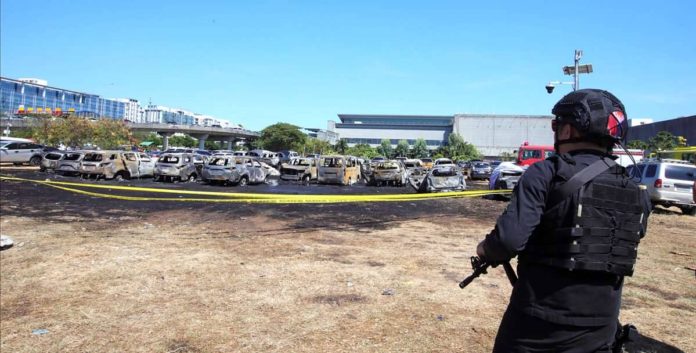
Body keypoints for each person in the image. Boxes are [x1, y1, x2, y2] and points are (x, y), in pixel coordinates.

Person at [475, 89, 651, 353]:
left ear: (568, 130)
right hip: (602, 327)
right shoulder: (633, 186)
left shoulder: (545, 173)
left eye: (556, 125)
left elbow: (508, 240)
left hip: (539, 324)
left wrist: (484, 249)